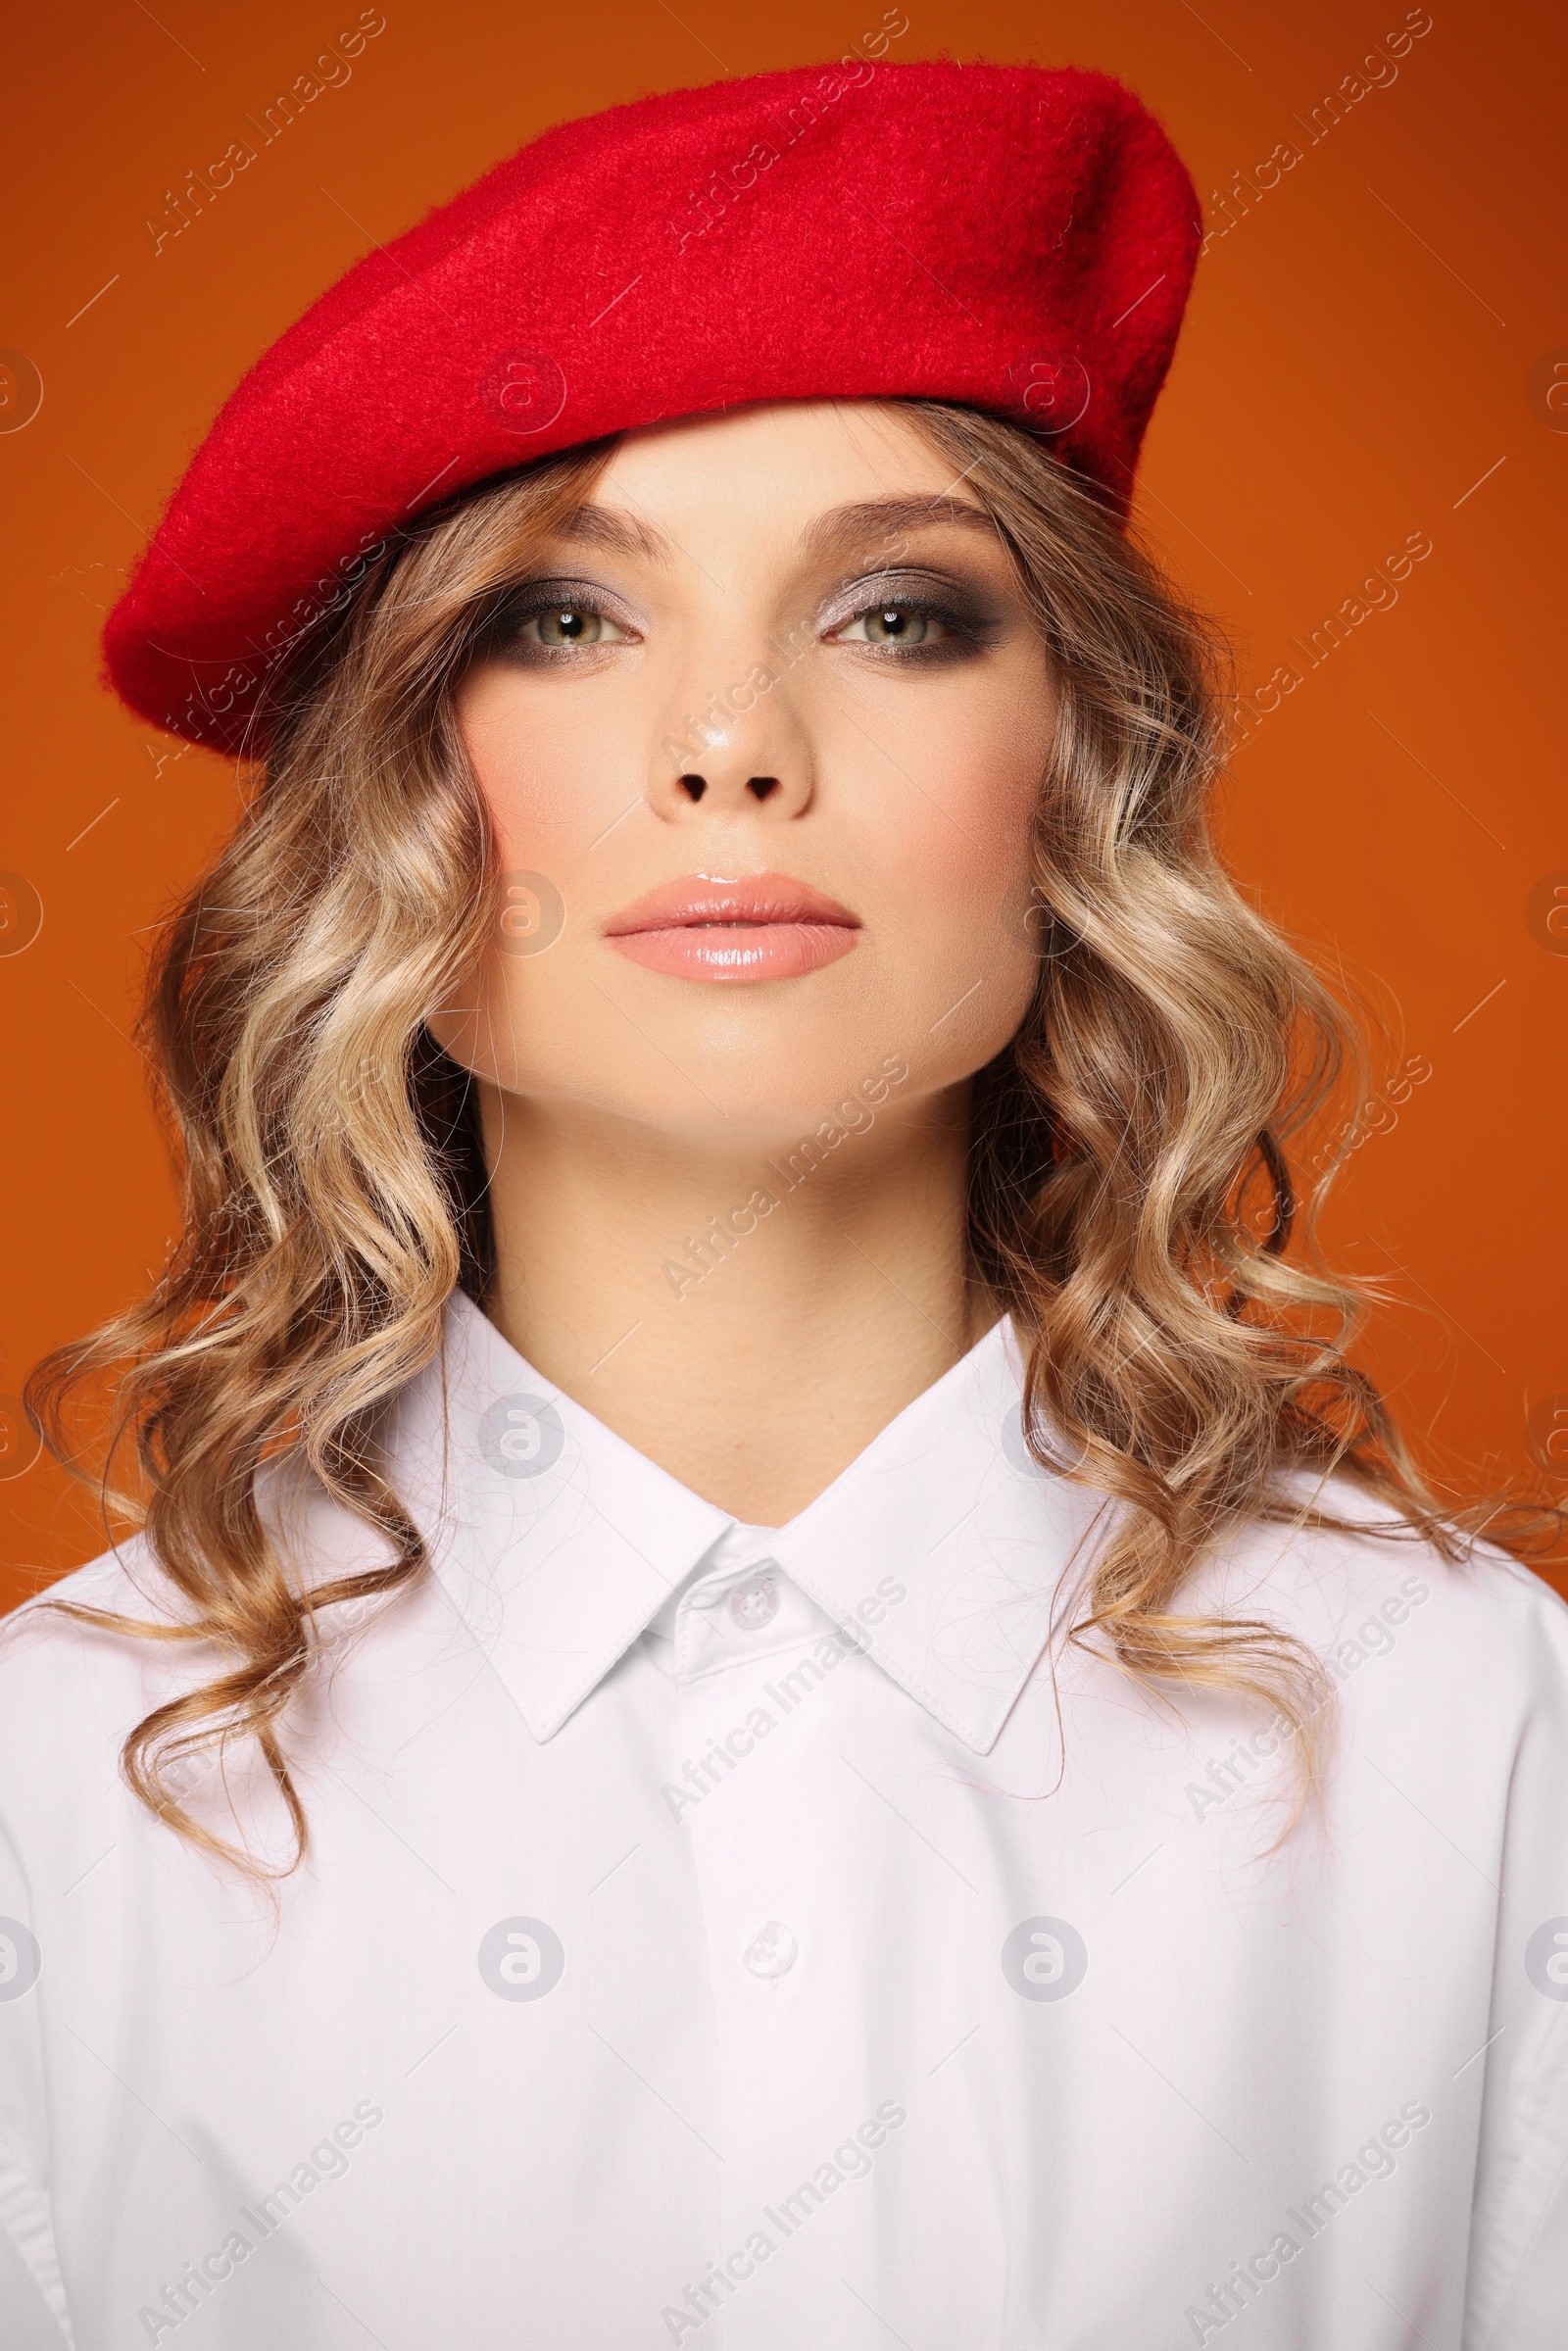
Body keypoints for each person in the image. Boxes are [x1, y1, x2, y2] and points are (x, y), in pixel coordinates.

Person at [2, 56, 1563, 2351]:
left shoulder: (1470, 1735)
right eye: (563, 621)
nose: (728, 743)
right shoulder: (61, 1803)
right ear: (395, 800)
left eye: (897, 615)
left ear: (1070, 776)